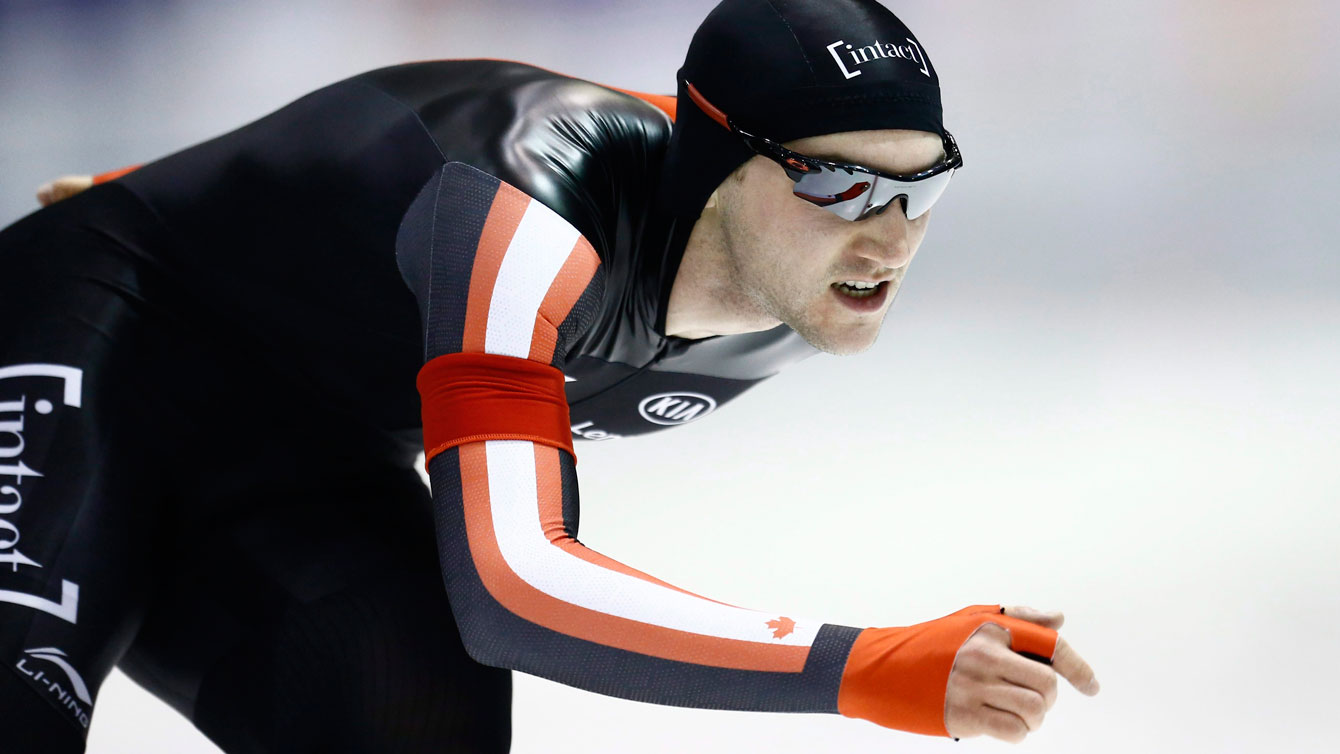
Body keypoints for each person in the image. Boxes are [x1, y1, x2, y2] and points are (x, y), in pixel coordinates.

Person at [0, 0, 1100, 751]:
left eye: (922, 188)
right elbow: (516, 587)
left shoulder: (787, 296)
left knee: (416, 726)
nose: (890, 237)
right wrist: (868, 665)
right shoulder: (528, 216)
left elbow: (358, 178)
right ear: (717, 164)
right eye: (841, 187)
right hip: (103, 335)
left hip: (299, 461)